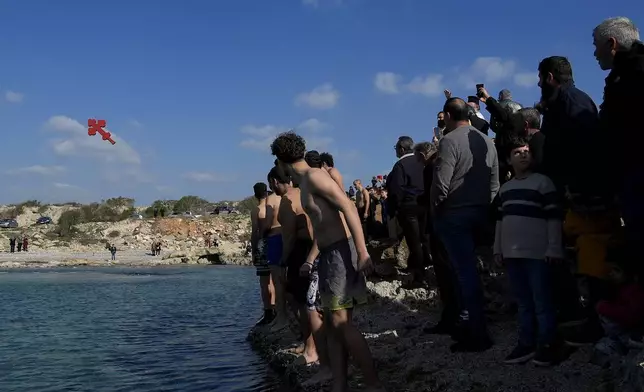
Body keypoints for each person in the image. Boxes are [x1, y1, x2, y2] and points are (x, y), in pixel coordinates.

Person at [271, 131, 384, 392]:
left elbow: (348, 206)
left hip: (340, 254)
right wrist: (313, 258)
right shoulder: (305, 183)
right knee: (332, 324)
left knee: (343, 323)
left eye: (276, 163)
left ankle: (374, 385)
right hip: (328, 255)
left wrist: (362, 250)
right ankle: (340, 384)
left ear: (282, 161)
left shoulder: (314, 177)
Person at [430, 97, 499, 352]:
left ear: (447, 115)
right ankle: (472, 325)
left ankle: (476, 331)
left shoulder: (448, 140)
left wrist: (436, 211)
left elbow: (441, 183)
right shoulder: (485, 140)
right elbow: (495, 181)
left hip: (455, 214)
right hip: (481, 212)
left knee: (464, 274)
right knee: (473, 273)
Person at [493, 137, 561, 366]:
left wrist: (554, 247)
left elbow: (553, 218)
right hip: (512, 255)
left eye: (526, 151)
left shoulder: (543, 183)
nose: (523, 155)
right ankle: (526, 343)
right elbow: (500, 222)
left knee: (542, 302)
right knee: (523, 302)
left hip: (538, 254)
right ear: (508, 159)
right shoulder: (506, 189)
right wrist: (497, 249)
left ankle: (548, 344)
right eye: (517, 152)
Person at [593, 17, 644, 280]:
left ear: (611, 43)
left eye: (596, 45)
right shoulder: (623, 75)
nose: (594, 53)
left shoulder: (633, 74)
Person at [269, 164, 321, 366]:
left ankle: (310, 345)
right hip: (311, 248)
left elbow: (289, 236)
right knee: (305, 299)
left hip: (299, 250)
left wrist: (282, 261)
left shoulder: (287, 201)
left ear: (274, 182)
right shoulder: (303, 192)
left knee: (298, 299)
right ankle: (308, 341)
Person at [414, 142, 461, 335]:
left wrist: (421, 200)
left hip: (440, 223)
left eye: (418, 158)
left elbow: (434, 194)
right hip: (454, 222)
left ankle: (451, 317)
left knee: (444, 272)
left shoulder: (431, 168)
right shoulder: (445, 163)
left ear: (424, 155)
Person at [387, 136, 430, 287]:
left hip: (409, 206)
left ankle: (419, 276)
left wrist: (395, 209)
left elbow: (396, 190)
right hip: (425, 204)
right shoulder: (422, 161)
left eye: (396, 148)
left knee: (414, 241)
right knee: (424, 238)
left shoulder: (400, 165)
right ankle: (426, 268)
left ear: (402, 149)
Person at [263, 169, 286, 333]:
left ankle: (281, 317)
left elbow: (268, 221)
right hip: (286, 237)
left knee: (277, 280)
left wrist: (262, 233)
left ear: (273, 181)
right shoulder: (287, 197)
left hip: (274, 238)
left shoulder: (271, 199)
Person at [250, 182, 276, 326]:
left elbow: (255, 232)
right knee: (275, 279)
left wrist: (253, 250)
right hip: (275, 242)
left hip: (262, 245)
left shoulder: (257, 210)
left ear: (255, 194)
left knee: (264, 282)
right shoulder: (273, 205)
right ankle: (276, 307)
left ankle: (268, 311)